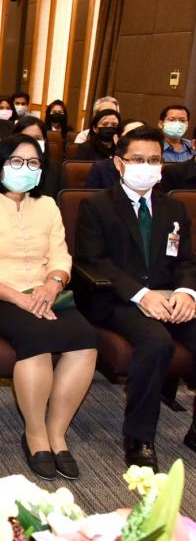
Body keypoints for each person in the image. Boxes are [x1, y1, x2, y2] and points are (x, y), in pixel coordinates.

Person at [0, 134, 99, 480]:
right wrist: (20, 298)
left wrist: (52, 284)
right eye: (17, 162)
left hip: (45, 294)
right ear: (0, 165)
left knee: (85, 338)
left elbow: (61, 255)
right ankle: (35, 433)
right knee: (36, 336)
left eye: (33, 163)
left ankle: (57, 432)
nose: (25, 169)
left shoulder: (47, 205)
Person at [74, 125, 196, 469]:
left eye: (154, 160)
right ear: (119, 163)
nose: (147, 166)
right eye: (138, 159)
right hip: (116, 298)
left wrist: (186, 292)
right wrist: (142, 295)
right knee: (156, 342)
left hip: (169, 296)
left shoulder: (173, 208)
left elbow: (186, 260)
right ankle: (139, 437)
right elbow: (94, 261)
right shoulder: (96, 205)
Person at [85, 120, 145, 189]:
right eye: (130, 136)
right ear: (116, 139)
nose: (138, 142)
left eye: (143, 137)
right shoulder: (101, 168)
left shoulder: (153, 168)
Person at [13, 116, 60, 197]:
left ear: (44, 140)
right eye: (26, 138)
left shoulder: (55, 169)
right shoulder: (5, 166)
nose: (32, 142)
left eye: (37, 138)